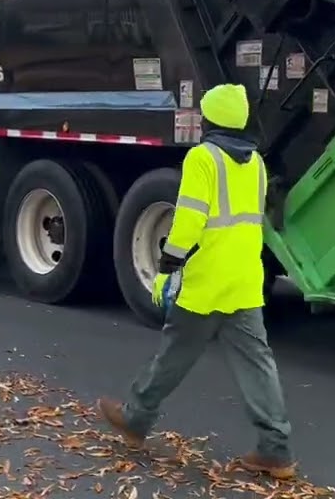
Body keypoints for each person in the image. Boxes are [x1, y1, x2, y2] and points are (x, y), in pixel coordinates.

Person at [97, 83, 296, 480]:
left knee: (173, 355)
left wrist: (167, 268)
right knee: (259, 366)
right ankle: (276, 451)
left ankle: (135, 420)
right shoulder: (255, 162)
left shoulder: (203, 158)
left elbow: (189, 219)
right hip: (243, 281)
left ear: (212, 120)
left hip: (205, 284)